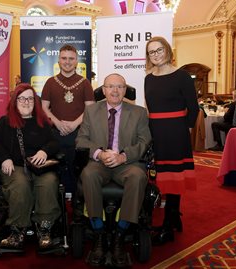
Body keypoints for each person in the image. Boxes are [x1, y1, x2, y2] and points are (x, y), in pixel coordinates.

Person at [76, 73, 151, 267]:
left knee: (138, 177)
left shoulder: (139, 113)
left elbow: (145, 141)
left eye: (119, 87)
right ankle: (98, 233)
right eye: (110, 86)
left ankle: (120, 234)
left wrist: (123, 156)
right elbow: (82, 140)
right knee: (88, 173)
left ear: (125, 90)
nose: (115, 91)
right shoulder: (92, 111)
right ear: (104, 90)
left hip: (127, 164)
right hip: (99, 164)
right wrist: (100, 154)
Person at [0, 83, 61, 250]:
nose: (26, 102)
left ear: (35, 102)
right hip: (14, 166)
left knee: (49, 181)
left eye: (30, 98)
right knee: (20, 184)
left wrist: (44, 151)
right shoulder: (5, 121)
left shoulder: (42, 122)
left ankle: (44, 228)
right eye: (22, 98)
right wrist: (4, 158)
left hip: (39, 166)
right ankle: (17, 230)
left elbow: (54, 142)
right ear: (15, 101)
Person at [144, 36, 199, 245]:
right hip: (155, 131)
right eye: (151, 52)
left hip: (176, 133)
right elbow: (150, 109)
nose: (156, 55)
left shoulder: (182, 76)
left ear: (167, 50)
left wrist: (185, 131)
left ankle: (168, 225)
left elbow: (193, 109)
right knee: (160, 176)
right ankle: (174, 217)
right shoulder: (148, 78)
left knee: (174, 179)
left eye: (159, 50)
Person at [41, 44, 95, 196]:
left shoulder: (85, 83)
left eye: (71, 58)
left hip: (79, 134)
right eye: (64, 58)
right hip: (55, 134)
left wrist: (74, 124)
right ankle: (58, 203)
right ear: (58, 60)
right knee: (56, 171)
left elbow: (90, 109)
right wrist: (57, 123)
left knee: (78, 171)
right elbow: (44, 107)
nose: (67, 62)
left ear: (76, 61)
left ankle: (78, 204)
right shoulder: (50, 82)